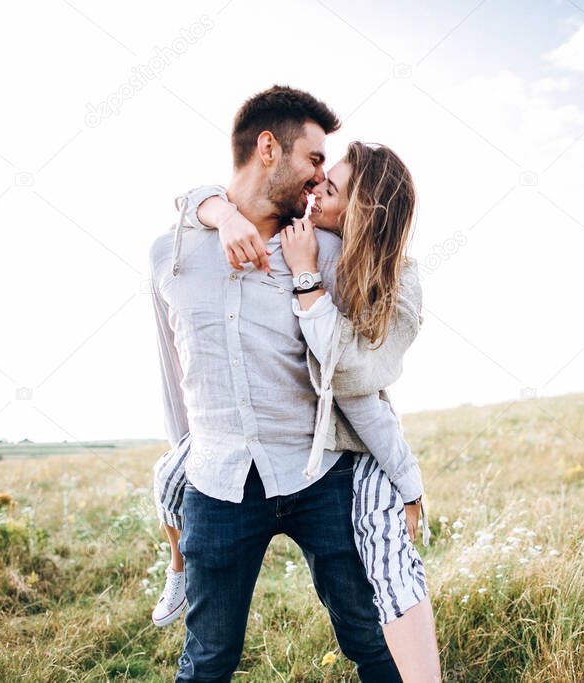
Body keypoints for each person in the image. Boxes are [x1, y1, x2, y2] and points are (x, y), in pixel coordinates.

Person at [149, 85, 409, 682]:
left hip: (318, 474)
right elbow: (172, 371)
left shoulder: (323, 247)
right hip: (217, 483)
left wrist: (403, 472)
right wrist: (214, 209)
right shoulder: (173, 253)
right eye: (315, 159)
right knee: (208, 659)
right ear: (268, 148)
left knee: (370, 639)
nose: (320, 179)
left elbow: (352, 369)